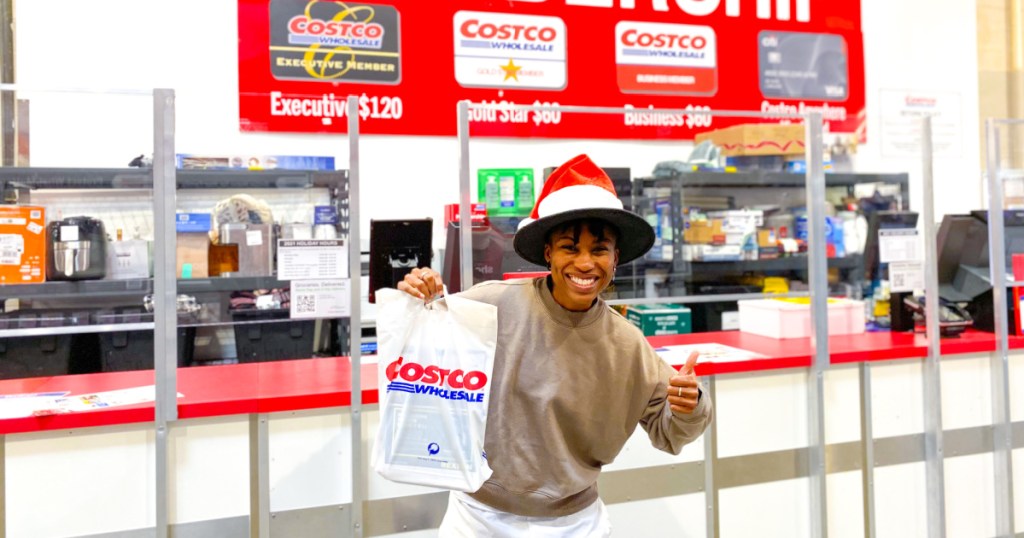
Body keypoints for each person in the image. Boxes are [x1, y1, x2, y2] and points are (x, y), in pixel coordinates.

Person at [398, 154, 713, 537]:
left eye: (599, 250)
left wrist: (690, 405)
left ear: (616, 259)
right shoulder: (491, 305)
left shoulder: (627, 344)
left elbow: (670, 431)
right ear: (548, 253)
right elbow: (421, 345)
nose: (584, 263)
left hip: (574, 523)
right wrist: (421, 293)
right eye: (569, 247)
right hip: (479, 517)